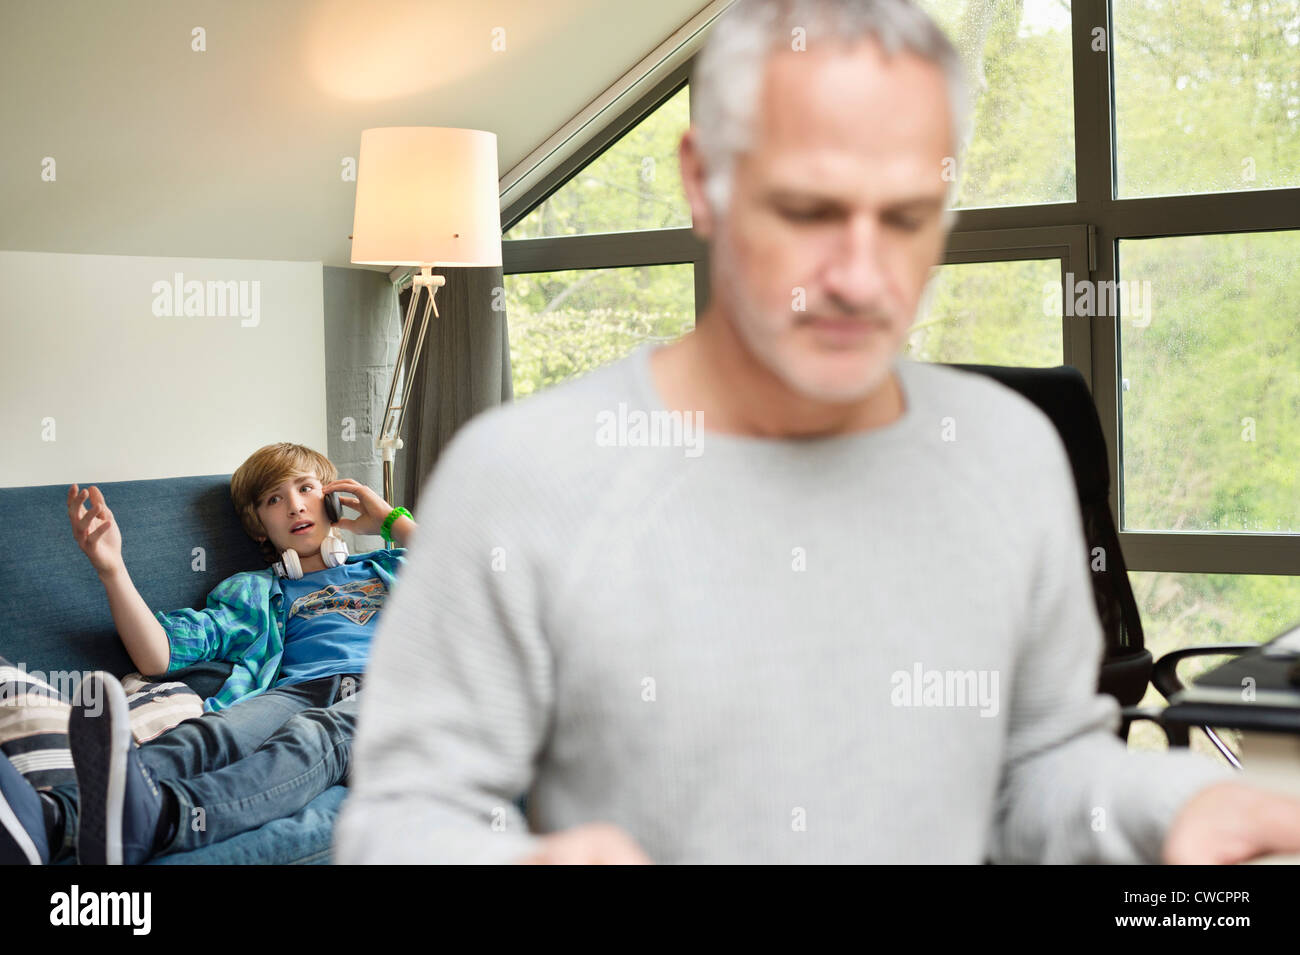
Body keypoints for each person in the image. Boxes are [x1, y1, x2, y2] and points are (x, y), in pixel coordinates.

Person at [334, 0, 1300, 864]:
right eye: (810, 209)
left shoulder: (1011, 454)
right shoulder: (520, 478)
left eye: (908, 216)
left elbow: (1042, 770)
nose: (860, 275)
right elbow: (400, 820)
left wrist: (1190, 804)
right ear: (703, 181)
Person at [0, 442, 415, 864]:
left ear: (333, 502)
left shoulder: (391, 566)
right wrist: (112, 569)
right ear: (258, 527)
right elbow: (157, 657)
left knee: (314, 735)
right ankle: (52, 819)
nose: (294, 506)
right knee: (212, 734)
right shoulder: (253, 593)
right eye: (274, 499)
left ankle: (160, 819)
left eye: (306, 488)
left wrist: (391, 521)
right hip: (300, 692)